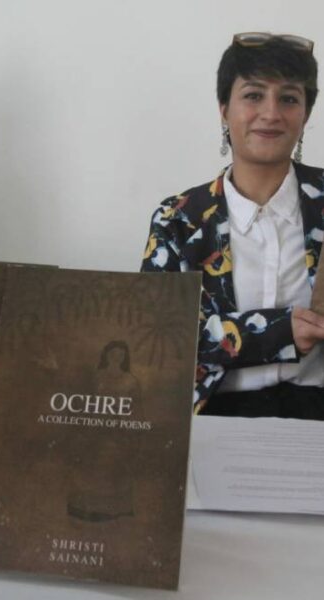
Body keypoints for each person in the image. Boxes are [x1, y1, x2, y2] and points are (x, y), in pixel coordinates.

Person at [141, 33, 324, 420]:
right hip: (215, 418)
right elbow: (153, 339)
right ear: (224, 109)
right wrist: (279, 332)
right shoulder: (179, 219)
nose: (271, 113)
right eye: (253, 95)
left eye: (289, 99)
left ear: (306, 115)